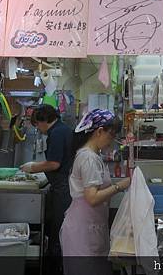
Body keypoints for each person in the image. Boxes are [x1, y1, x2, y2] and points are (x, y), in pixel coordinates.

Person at [60, 109, 131, 275]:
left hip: (90, 227)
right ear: (99, 131)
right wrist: (121, 185)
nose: (112, 141)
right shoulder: (88, 158)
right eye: (111, 135)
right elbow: (92, 198)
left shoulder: (93, 155)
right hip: (82, 232)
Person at [19, 105, 73, 273]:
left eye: (37, 124)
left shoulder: (56, 133)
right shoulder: (64, 129)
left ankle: (55, 268)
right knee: (59, 228)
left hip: (62, 188)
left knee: (58, 230)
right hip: (64, 186)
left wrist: (33, 167)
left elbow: (54, 163)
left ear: (43, 120)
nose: (37, 128)